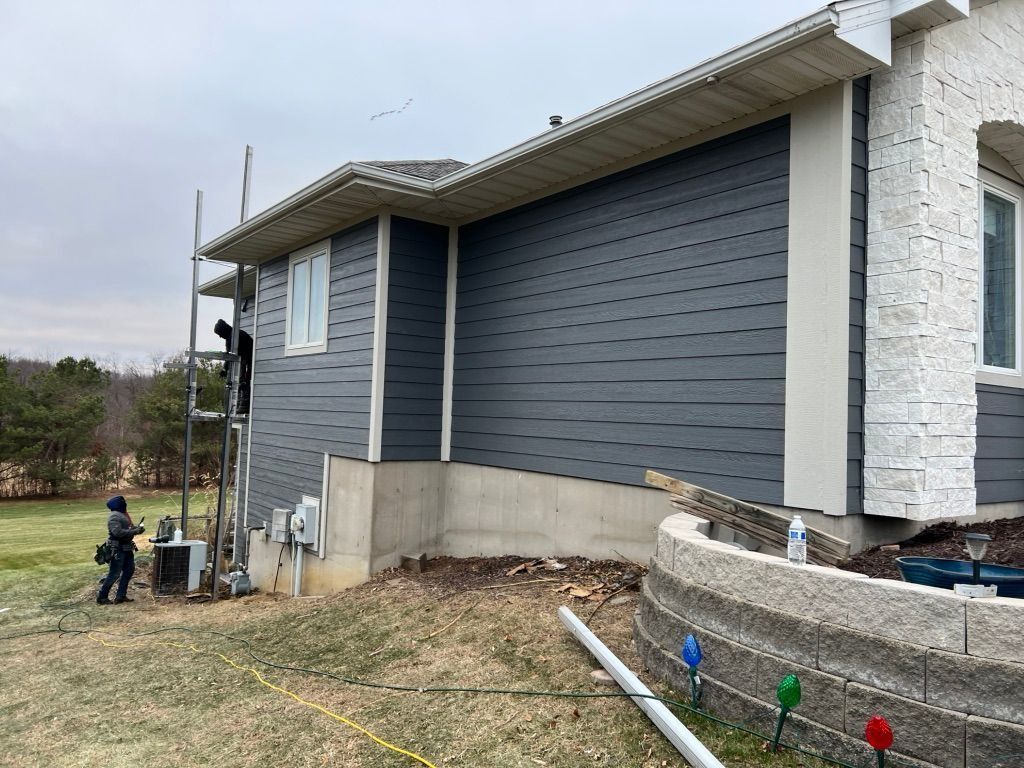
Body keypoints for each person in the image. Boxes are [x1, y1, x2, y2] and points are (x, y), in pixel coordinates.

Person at [97, 495, 144, 605]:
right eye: (123, 502)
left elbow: (126, 529)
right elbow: (117, 533)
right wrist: (135, 531)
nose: (125, 503)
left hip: (126, 547)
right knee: (114, 574)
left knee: (129, 571)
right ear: (119, 504)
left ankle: (121, 596)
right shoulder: (114, 516)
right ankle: (102, 597)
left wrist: (136, 529)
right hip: (117, 548)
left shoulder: (122, 514)